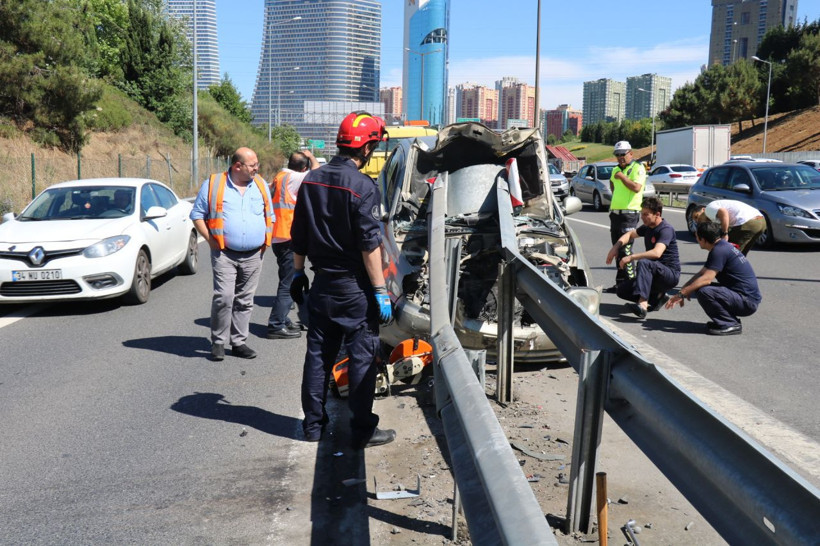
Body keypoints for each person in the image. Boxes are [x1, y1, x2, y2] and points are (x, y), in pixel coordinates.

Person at [290, 111, 395, 449]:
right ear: (365, 148)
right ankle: (363, 430)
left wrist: (296, 272)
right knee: (363, 356)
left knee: (319, 356)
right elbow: (369, 245)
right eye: (374, 146)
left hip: (322, 285)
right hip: (355, 289)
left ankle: (313, 427)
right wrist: (380, 291)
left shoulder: (312, 180)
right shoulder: (364, 186)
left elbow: (299, 234)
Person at [190, 147, 274, 361]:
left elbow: (269, 215)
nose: (257, 168)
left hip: (254, 254)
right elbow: (197, 214)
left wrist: (265, 241)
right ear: (238, 166)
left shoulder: (261, 185)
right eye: (253, 165)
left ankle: (238, 342)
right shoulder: (214, 184)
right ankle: (218, 341)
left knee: (245, 300)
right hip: (224, 253)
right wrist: (210, 241)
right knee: (224, 297)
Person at [665, 221, 761, 336]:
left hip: (747, 301)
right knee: (699, 287)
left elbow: (706, 279)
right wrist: (685, 289)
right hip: (744, 297)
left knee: (705, 291)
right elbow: (701, 274)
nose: (696, 240)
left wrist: (682, 294)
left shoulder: (719, 251)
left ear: (703, 239)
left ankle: (730, 324)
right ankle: (727, 321)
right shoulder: (721, 246)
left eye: (697, 237)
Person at [265, 149, 320, 340]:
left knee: (285, 280)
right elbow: (317, 171)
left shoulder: (280, 176)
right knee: (288, 284)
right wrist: (312, 156)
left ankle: (283, 319)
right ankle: (276, 324)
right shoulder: (296, 178)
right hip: (288, 237)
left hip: (277, 236)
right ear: (303, 167)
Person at [606, 196, 680, 319]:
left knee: (644, 262)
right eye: (641, 214)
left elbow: (657, 253)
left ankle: (642, 305)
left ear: (657, 214)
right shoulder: (647, 227)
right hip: (653, 273)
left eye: (646, 214)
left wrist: (631, 257)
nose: (642, 217)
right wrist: (616, 247)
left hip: (669, 275)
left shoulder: (666, 229)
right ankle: (657, 298)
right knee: (622, 290)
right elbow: (630, 234)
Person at [605, 140, 646, 293]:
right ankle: (620, 284)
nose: (620, 157)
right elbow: (612, 185)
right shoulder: (615, 169)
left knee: (625, 250)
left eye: (623, 154)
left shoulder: (637, 167)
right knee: (617, 249)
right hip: (615, 213)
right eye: (617, 155)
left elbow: (636, 188)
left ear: (631, 153)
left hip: (629, 214)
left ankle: (632, 284)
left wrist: (622, 177)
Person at [693, 200, 765, 256]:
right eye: (696, 221)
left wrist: (725, 233)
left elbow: (723, 212)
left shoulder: (708, 209)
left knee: (729, 252)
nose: (698, 220)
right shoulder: (714, 213)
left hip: (749, 222)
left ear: (703, 209)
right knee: (740, 255)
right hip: (761, 221)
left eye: (697, 216)